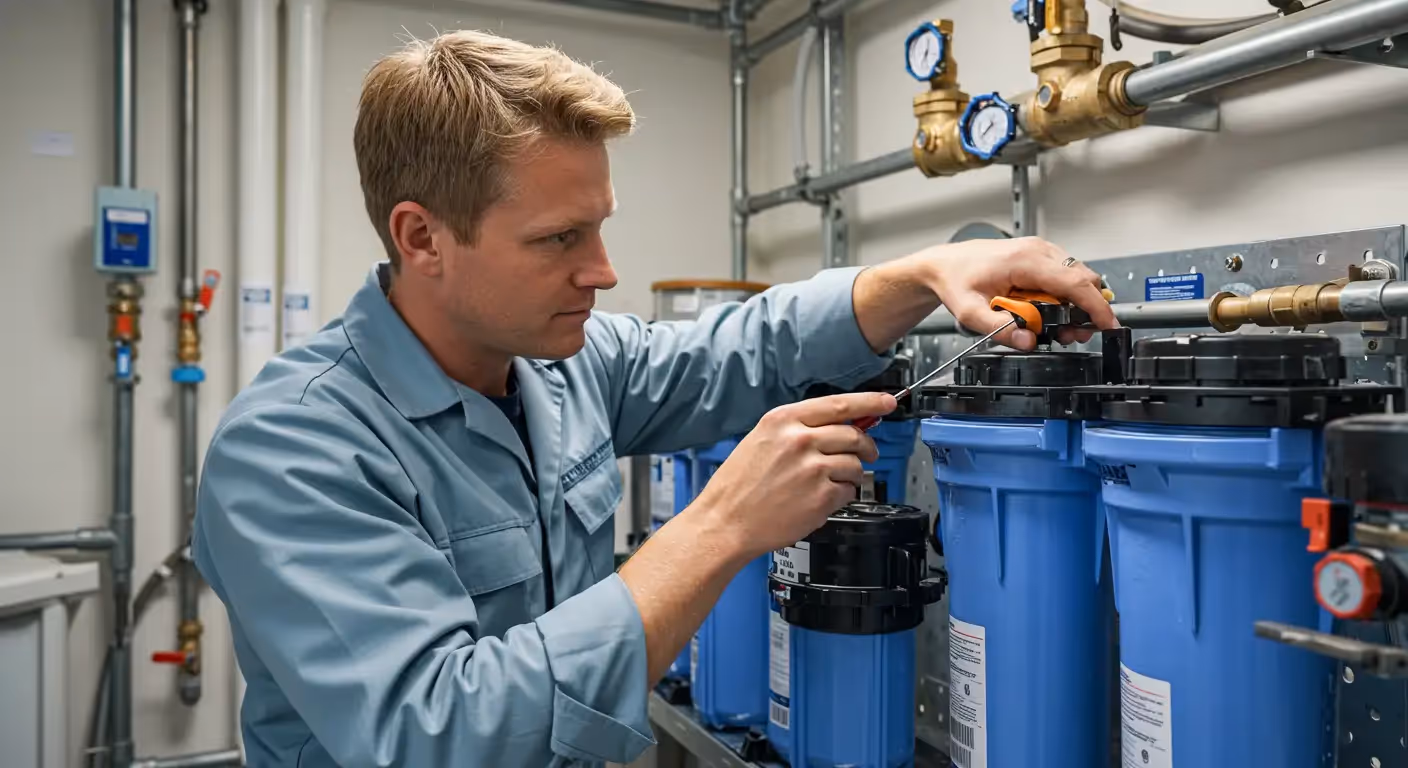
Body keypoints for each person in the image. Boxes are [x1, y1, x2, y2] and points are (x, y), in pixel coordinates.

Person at [192, 29, 1115, 768]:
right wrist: (720, 527)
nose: (602, 271)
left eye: (598, 227)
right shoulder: (293, 450)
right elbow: (441, 735)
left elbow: (742, 347)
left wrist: (921, 272)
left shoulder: (561, 365)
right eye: (558, 238)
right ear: (421, 236)